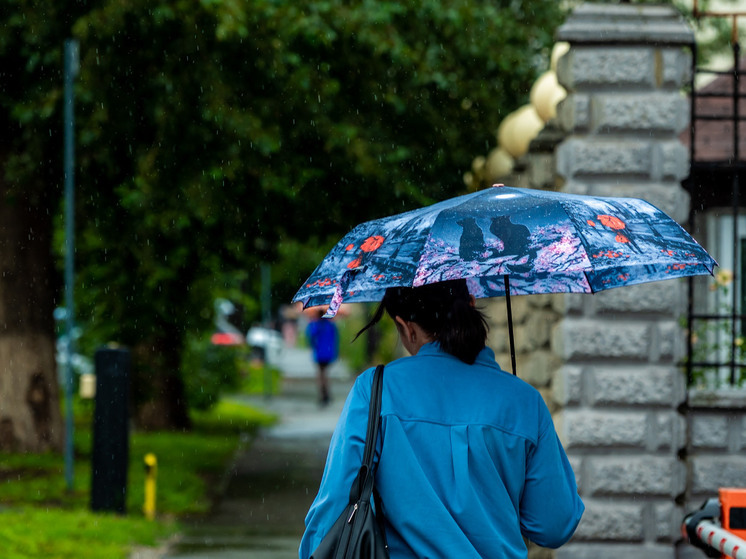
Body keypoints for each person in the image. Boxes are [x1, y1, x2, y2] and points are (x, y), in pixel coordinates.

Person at [299, 279, 584, 558]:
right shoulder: (524, 401)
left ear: (405, 327)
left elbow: (333, 511)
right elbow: (554, 526)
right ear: (471, 304)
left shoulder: (376, 390)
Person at [306, 308, 339, 406]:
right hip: (329, 352)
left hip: (320, 352)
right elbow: (335, 339)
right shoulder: (331, 325)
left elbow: (310, 336)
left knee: (321, 374)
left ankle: (323, 395)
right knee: (325, 373)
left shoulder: (315, 325)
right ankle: (326, 393)